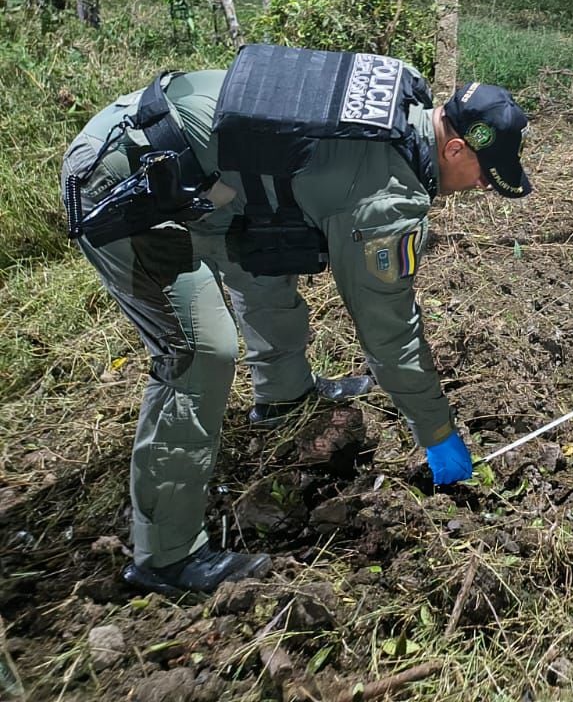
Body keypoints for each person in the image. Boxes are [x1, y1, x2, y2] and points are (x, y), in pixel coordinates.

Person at [60, 45, 533, 597]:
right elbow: (390, 336)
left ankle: (282, 394)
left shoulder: (405, 99)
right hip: (126, 184)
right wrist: (437, 433)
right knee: (200, 354)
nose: (481, 187)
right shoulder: (388, 201)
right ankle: (165, 558)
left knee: (264, 246)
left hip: (190, 167)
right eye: (484, 173)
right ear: (453, 146)